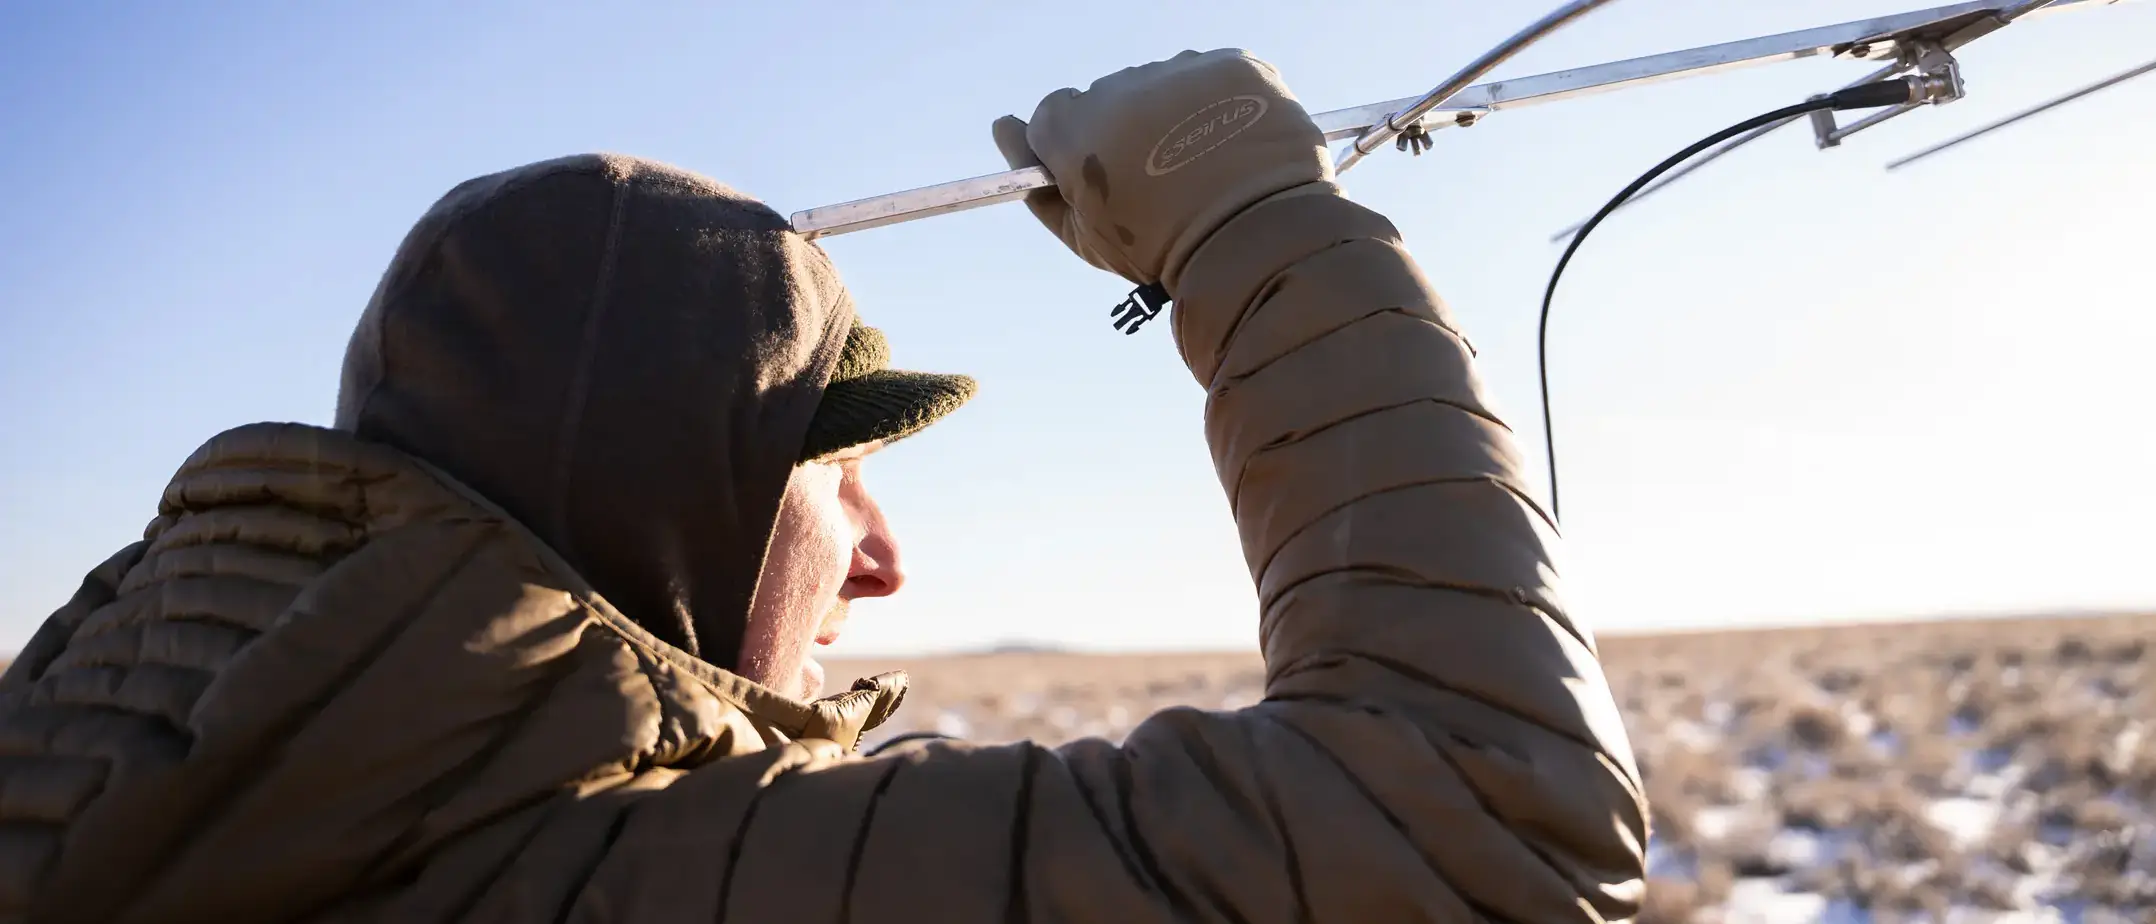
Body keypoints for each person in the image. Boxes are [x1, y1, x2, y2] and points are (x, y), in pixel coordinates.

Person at [0, 50, 1646, 923]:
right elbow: (1479, 829)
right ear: (649, 490)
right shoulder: (607, 875)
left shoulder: (113, 769)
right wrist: (1254, 225)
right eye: (836, 474)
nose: (883, 564)